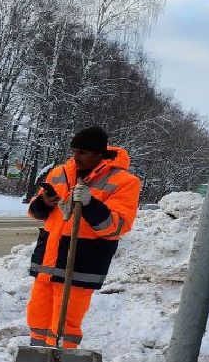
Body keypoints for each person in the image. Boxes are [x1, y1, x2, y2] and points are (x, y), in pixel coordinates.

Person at [26, 126, 142, 349]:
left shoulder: (124, 182)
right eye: (74, 151)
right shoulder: (60, 173)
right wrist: (44, 203)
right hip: (48, 262)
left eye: (82, 152)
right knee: (38, 320)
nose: (75, 157)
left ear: (99, 153)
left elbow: (116, 227)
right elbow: (36, 211)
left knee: (65, 326)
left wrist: (90, 204)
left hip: (80, 264)